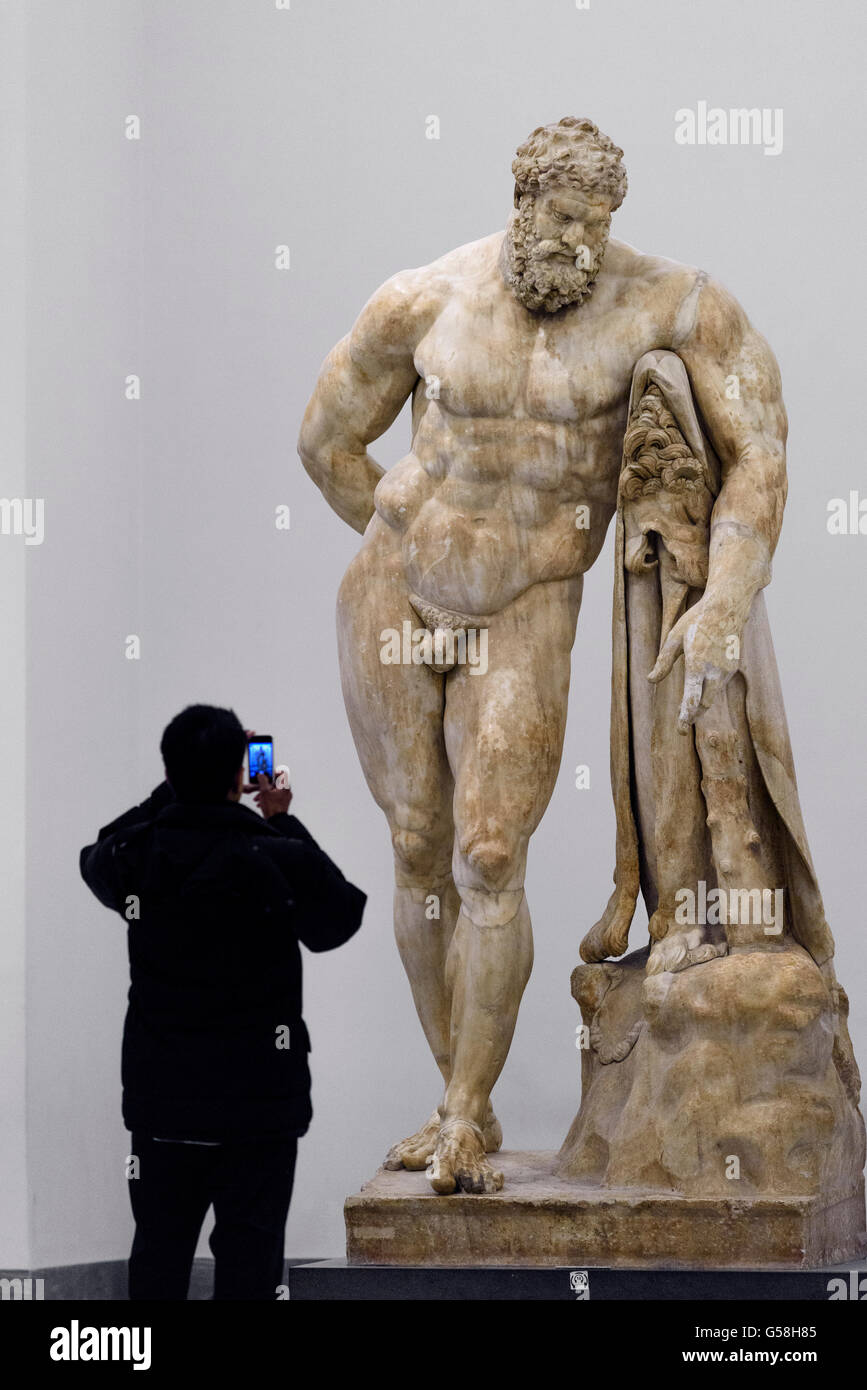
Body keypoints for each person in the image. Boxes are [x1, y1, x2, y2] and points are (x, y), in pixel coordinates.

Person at [298, 116, 786, 1194]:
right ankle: (449, 1096)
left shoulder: (667, 303)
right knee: (419, 846)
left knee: (485, 855)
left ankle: (471, 1115)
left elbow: (761, 447)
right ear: (520, 202)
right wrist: (402, 526)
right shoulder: (422, 298)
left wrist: (729, 592)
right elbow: (325, 437)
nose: (579, 242)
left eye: (598, 224)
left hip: (529, 603)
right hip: (393, 585)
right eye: (562, 218)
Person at [79, 704, 366, 1300]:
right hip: (259, 1110)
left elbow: (97, 851)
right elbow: (339, 916)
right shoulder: (276, 854)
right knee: (251, 1267)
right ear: (242, 776)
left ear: (169, 772)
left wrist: (176, 791)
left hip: (165, 1108)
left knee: (157, 1256)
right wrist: (283, 818)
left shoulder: (140, 856)